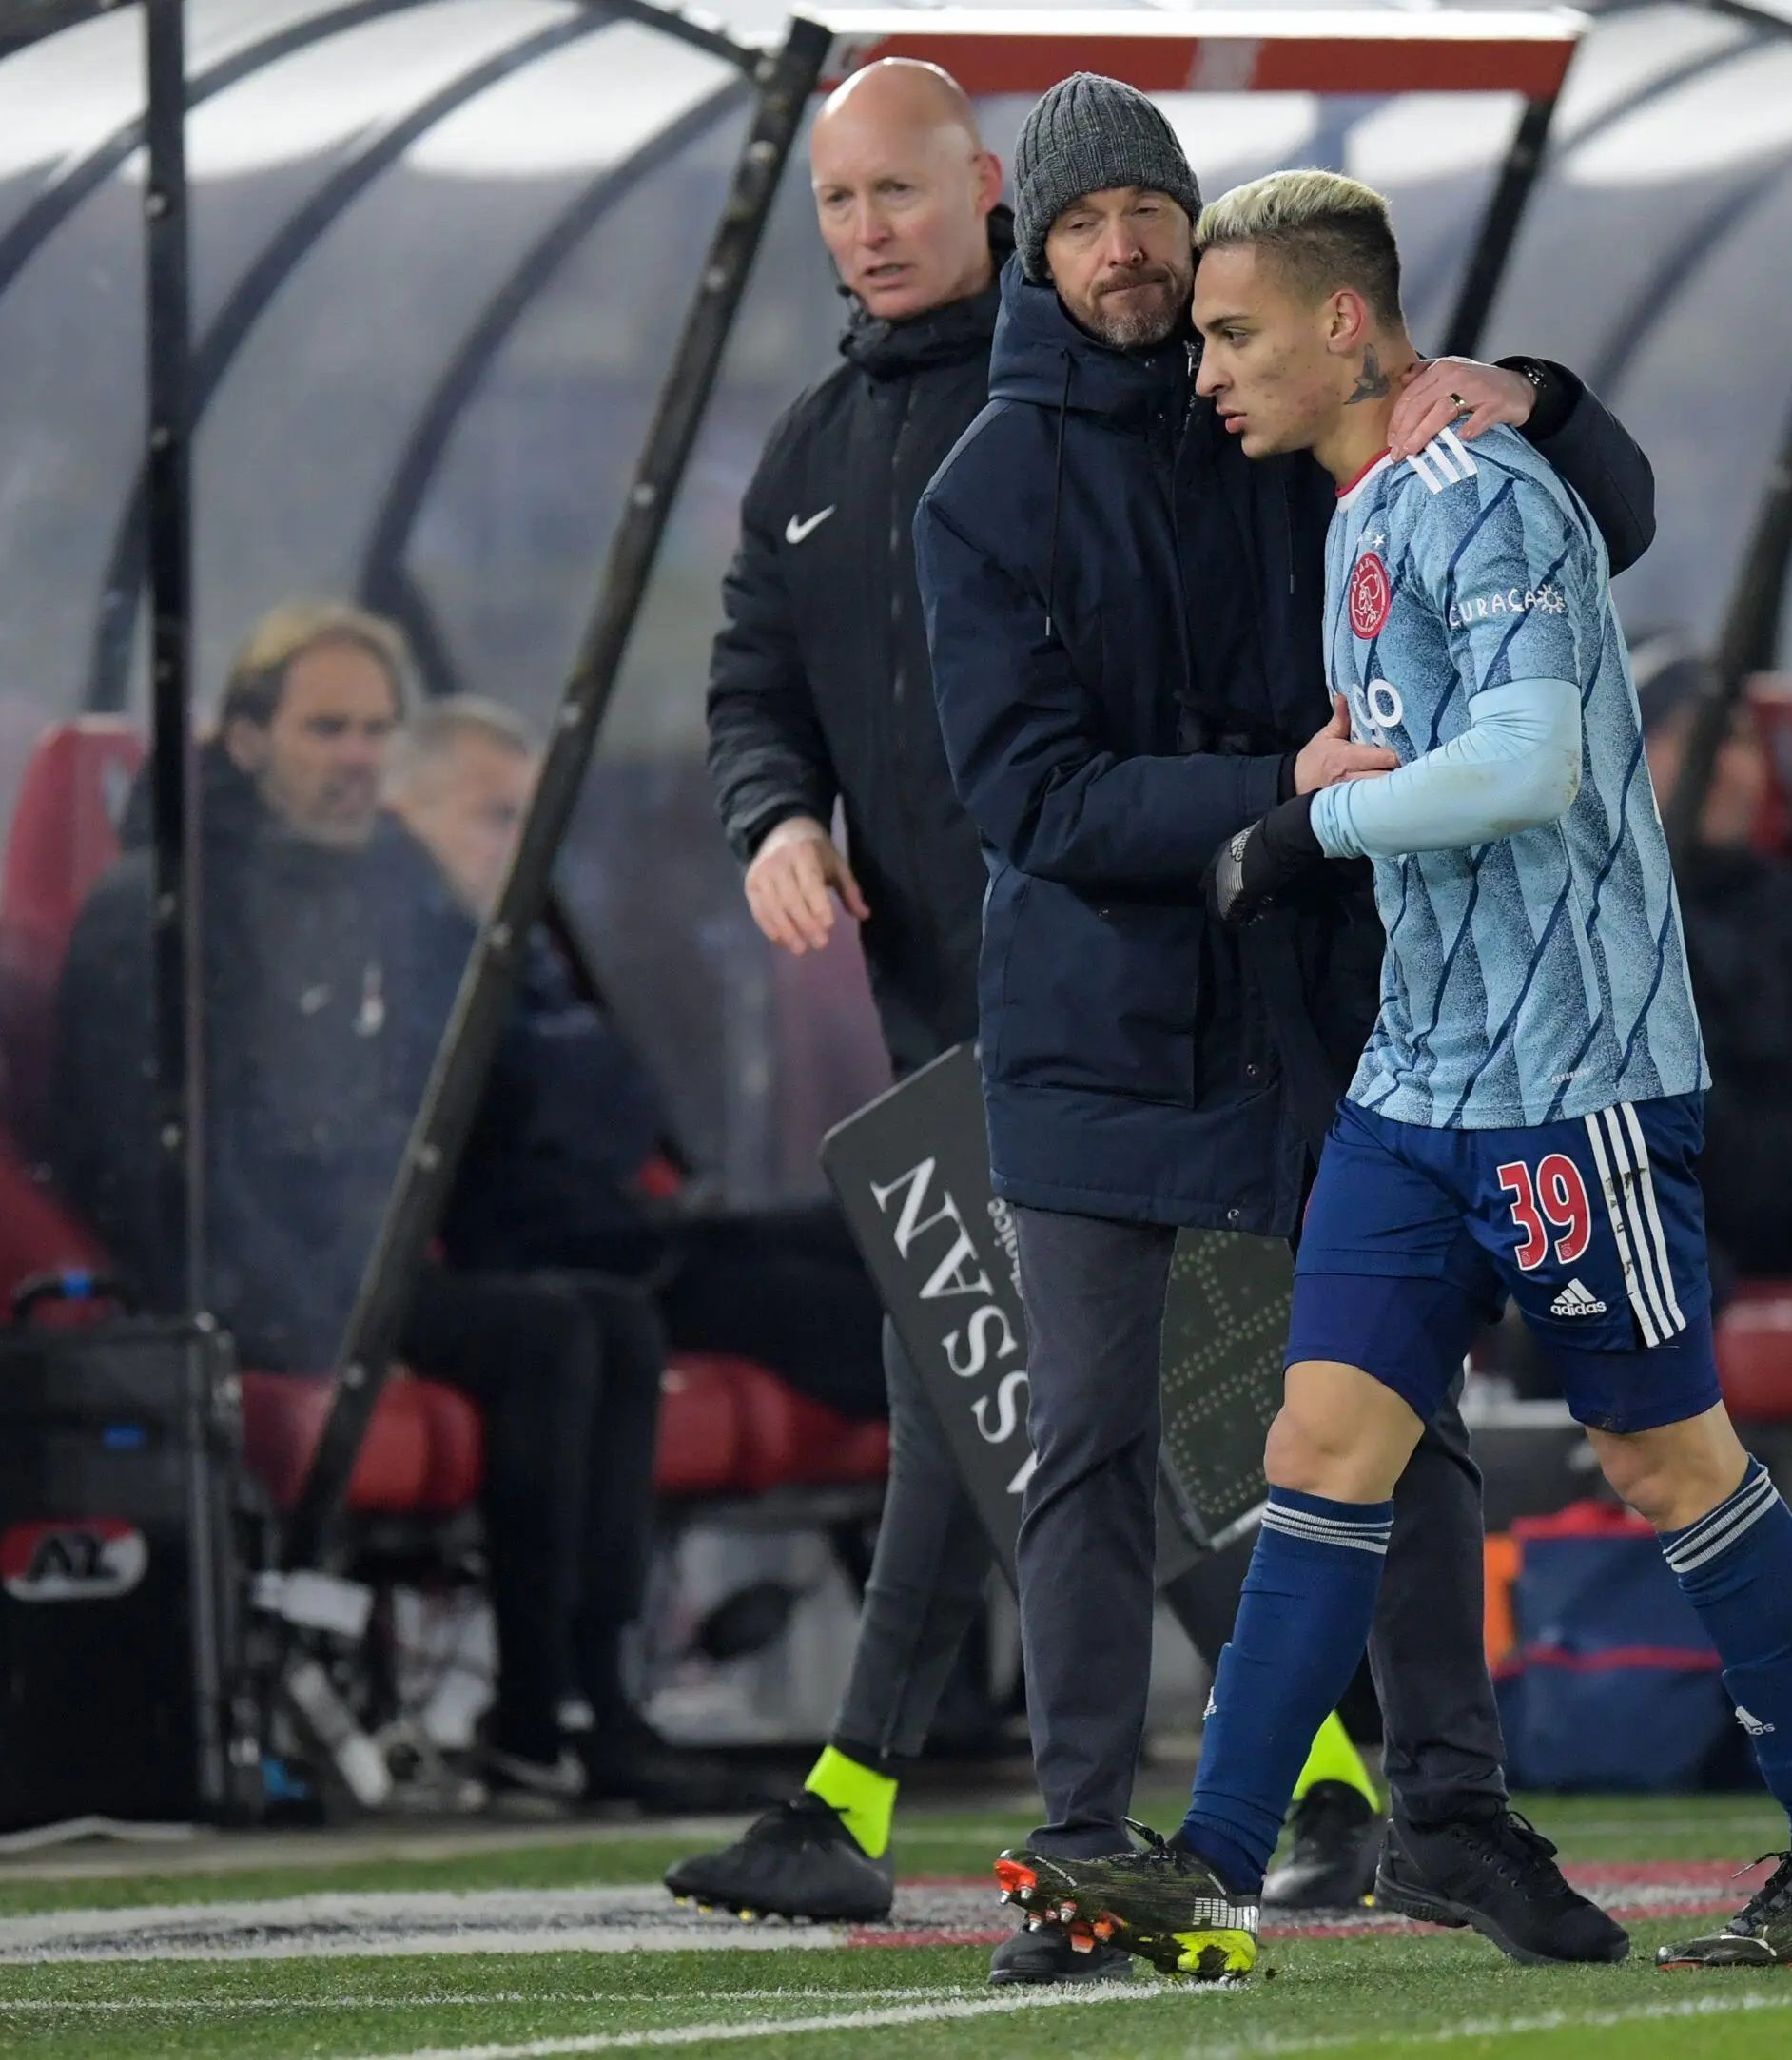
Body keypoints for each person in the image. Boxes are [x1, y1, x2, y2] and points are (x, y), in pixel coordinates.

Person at [990, 169, 1792, 1982]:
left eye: (1234, 331)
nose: (1207, 372)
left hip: (1576, 1074)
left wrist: (1306, 822)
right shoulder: (1357, 517)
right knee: (1317, 1447)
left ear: (1349, 323)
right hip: (1420, 1082)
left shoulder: (1486, 494)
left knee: (1663, 1460)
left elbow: (1527, 771)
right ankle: (1215, 1865)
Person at [921, 83, 1665, 1980]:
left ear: (1192, 233)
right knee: (1090, 1445)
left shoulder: (1280, 416)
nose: (1121, 254)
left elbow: (1602, 527)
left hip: (1328, 1008)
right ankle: (1088, 1852)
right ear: (1034, 239)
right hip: (1097, 1030)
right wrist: (1280, 791)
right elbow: (1032, 803)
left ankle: (1448, 1820)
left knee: (1399, 1426)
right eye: (1082, 223)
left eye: (1147, 215)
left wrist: (1532, 402)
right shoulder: (982, 490)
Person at [680, 61, 1386, 1953]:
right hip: (955, 997)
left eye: (897, 194)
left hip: (1166, 982)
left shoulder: (1170, 412)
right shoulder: (813, 454)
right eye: (836, 207)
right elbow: (752, 680)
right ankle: (1267, 1775)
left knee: (1122, 1398)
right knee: (1024, 1401)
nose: (867, 231)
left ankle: (914, 1785)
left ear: (981, 192)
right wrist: (772, 816)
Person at [50, 602, 717, 1813]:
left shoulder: (385, 888)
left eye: (374, 730)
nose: (356, 755)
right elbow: (140, 1153)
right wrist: (296, 1302)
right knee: (555, 1338)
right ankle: (532, 1719)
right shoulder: (160, 907)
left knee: (613, 1319)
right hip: (250, 1287)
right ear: (246, 741)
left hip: (373, 1263)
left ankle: (600, 1707)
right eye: (325, 729)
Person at [391, 695, 889, 1425]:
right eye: (496, 818)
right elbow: (525, 1106)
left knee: (874, 1236)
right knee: (864, 1314)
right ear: (402, 817)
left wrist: (566, 1091)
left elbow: (625, 1107)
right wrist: (569, 1088)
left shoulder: (526, 956)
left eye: (537, 824)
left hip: (642, 1228)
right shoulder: (416, 961)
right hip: (569, 1259)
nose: (524, 847)